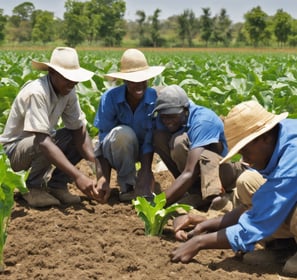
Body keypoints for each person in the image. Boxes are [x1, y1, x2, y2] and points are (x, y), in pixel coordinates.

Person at [170, 100, 297, 277]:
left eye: (245, 151)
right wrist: (206, 225)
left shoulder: (293, 156)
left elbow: (259, 220)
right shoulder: (279, 134)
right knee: (247, 181)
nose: (244, 160)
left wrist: (200, 242)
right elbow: (258, 205)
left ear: (264, 137)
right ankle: (284, 247)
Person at [0, 46, 101, 208]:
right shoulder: (37, 92)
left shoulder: (68, 90)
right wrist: (78, 176)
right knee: (44, 142)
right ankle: (32, 186)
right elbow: (42, 141)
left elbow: (78, 130)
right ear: (52, 73)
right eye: (66, 77)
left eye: (74, 78)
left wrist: (96, 165)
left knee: (73, 135)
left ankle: (57, 185)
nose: (72, 82)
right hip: (12, 154)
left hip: (38, 144)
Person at [152, 85, 245, 210]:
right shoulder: (166, 117)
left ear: (185, 110)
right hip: (194, 175)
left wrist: (159, 204)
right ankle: (194, 191)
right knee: (160, 138)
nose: (167, 121)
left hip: (221, 172)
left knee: (202, 154)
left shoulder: (203, 121)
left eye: (172, 116)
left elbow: (190, 172)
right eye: (164, 117)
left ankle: (216, 196)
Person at [93, 48, 165, 203]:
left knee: (164, 134)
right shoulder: (110, 98)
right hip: (115, 151)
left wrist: (146, 171)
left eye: (142, 79)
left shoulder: (154, 98)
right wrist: (103, 177)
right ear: (124, 80)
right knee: (123, 134)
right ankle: (128, 186)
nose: (139, 84)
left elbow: (151, 138)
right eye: (133, 80)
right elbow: (102, 139)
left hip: (145, 150)